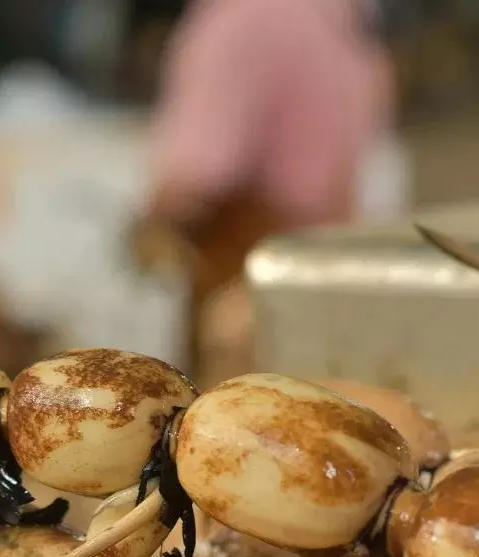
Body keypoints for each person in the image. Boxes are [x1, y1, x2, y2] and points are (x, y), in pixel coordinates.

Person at [140, 0, 394, 378]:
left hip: (248, 292)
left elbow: (196, 181)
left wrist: (148, 228)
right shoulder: (343, 20)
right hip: (328, 283)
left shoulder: (244, 21)